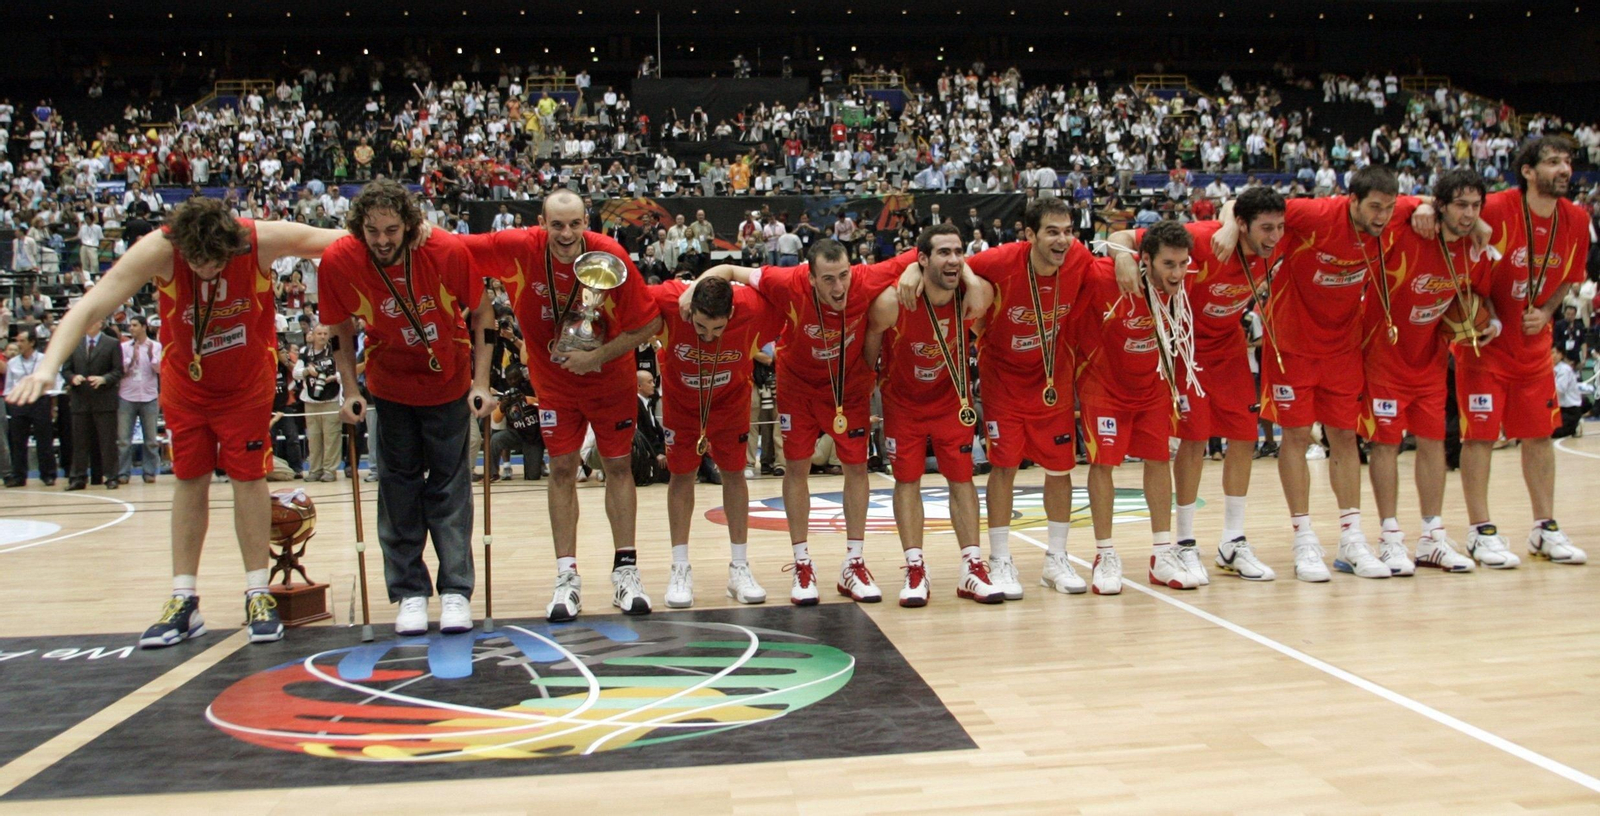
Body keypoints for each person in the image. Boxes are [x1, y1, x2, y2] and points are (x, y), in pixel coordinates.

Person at [5, 197, 356, 647]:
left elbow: (338, 240)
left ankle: (257, 591)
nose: (206, 270)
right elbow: (93, 302)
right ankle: (183, 598)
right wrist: (46, 367)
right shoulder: (159, 247)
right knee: (189, 479)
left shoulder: (258, 239)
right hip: (186, 386)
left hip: (246, 384)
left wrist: (416, 233)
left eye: (215, 262)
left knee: (250, 479)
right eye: (197, 262)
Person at [682, 239, 930, 605]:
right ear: (810, 277)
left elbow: (928, 251)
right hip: (797, 388)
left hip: (848, 387)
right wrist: (693, 288)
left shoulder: (866, 278)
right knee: (795, 469)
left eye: (843, 276)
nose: (839, 288)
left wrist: (914, 268)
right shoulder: (785, 281)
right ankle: (802, 563)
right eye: (828, 279)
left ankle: (854, 562)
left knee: (857, 468)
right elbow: (731, 272)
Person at [1213, 165, 1424, 581]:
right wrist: (1224, 227)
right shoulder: (1315, 214)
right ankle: (1304, 540)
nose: (1382, 216)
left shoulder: (1394, 216)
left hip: (1344, 347)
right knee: (1295, 435)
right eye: (1374, 207)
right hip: (1292, 343)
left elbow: (1432, 204)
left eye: (1389, 207)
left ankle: (1351, 539)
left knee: (1345, 437)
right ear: (1352, 201)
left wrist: (1427, 210)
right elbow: (1241, 206)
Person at [461, 189, 663, 622]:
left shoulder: (610, 254)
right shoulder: (519, 248)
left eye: (575, 224)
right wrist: (420, 231)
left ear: (586, 219)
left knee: (619, 467)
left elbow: (649, 322)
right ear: (542, 222)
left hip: (609, 380)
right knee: (563, 470)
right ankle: (566, 577)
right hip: (553, 385)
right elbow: (457, 247)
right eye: (557, 224)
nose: (567, 233)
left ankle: (626, 571)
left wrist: (596, 357)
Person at [322, 179, 493, 635]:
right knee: (397, 492)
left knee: (450, 489)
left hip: (448, 384)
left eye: (392, 230)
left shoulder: (446, 251)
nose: (382, 240)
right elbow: (339, 327)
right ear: (359, 228)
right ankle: (410, 594)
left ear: (410, 225)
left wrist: (481, 382)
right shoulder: (340, 259)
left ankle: (456, 591)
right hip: (390, 387)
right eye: (373, 231)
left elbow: (483, 315)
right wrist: (350, 390)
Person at [902, 197, 1095, 600]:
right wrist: (915, 268)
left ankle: (1056, 559)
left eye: (1068, 231)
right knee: (1003, 468)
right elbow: (951, 265)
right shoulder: (1002, 260)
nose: (1063, 240)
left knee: (1061, 470)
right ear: (1029, 235)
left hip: (1051, 380)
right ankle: (1001, 559)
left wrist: (1127, 259)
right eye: (1052, 232)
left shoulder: (1078, 258)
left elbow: (1124, 254)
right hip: (1003, 381)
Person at [1108, 186, 1288, 582]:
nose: (1275, 237)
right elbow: (1122, 237)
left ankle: (1233, 541)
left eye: (1280, 227)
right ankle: (1185, 543)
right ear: (1242, 226)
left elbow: (1235, 204)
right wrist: (1122, 257)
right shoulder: (1204, 239)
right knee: (1193, 439)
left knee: (1244, 437)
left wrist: (1229, 214)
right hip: (1183, 346)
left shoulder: (1269, 244)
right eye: (1266, 228)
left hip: (1227, 348)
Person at [1456, 136, 1590, 567]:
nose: (1564, 168)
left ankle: (1544, 528)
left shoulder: (1575, 217)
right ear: (1528, 171)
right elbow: (1457, 248)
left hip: (1534, 348)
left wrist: (1548, 312)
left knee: (1539, 437)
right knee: (1479, 436)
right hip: (1485, 346)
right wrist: (1489, 313)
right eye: (1553, 162)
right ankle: (1480, 531)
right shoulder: (1494, 207)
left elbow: (1569, 277)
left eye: (1567, 161)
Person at [1359, 168, 1496, 574]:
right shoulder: (1408, 228)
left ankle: (1432, 537)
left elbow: (1482, 299)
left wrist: (1490, 325)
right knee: (1385, 445)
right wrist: (1417, 203)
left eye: (1476, 206)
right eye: (1460, 205)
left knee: (1434, 443)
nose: (1470, 214)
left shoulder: (1475, 249)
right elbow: (1378, 203)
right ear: (1440, 206)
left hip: (1431, 360)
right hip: (1382, 355)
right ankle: (1389, 538)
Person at [863, 224, 1004, 607]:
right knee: (907, 481)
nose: (954, 260)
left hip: (950, 401)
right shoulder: (893, 302)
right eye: (943, 252)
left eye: (959, 252)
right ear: (922, 258)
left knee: (962, 480)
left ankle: (972, 567)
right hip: (903, 404)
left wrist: (969, 273)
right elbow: (870, 349)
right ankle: (914, 568)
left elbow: (980, 292)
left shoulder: (974, 297)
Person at [1074, 222, 1196, 593]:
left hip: (1152, 385)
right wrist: (1117, 251)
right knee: (1103, 465)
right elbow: (1106, 238)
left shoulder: (1182, 282)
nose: (1177, 274)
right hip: (1104, 385)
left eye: (1182, 264)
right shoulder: (1103, 276)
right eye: (1169, 265)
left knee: (1159, 461)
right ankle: (1105, 554)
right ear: (1144, 261)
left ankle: (1162, 553)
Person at [647, 274, 780, 608]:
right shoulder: (667, 298)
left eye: (717, 330)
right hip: (681, 405)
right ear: (689, 308)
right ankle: (679, 568)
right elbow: (623, 297)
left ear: (732, 314)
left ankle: (739, 568)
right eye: (700, 327)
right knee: (681, 476)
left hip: (730, 403)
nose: (708, 337)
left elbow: (790, 288)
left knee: (735, 474)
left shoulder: (754, 307)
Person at [4, 331, 57, 487]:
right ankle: (19, 476)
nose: (19, 344)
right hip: (19, 402)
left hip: (40, 400)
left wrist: (52, 405)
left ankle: (48, 474)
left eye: (22, 340)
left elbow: (52, 382)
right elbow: (8, 386)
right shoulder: (13, 362)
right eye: (17, 340)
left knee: (44, 440)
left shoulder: (44, 360)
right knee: (18, 442)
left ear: (32, 342)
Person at [117, 315, 162, 483]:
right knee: (123, 440)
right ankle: (123, 473)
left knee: (150, 439)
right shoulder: (123, 347)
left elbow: (159, 370)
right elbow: (120, 370)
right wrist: (131, 358)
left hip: (149, 396)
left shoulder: (156, 346)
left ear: (143, 327)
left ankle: (150, 472)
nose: (131, 328)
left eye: (135, 325)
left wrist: (151, 357)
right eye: (130, 325)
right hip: (127, 395)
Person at [298, 325, 342, 481]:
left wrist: (334, 377)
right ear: (313, 335)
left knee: (331, 437)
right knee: (314, 437)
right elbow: (296, 373)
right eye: (319, 333)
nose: (322, 336)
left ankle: (330, 470)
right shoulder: (304, 352)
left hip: (331, 399)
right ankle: (315, 470)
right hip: (310, 401)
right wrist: (306, 371)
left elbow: (345, 372)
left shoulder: (336, 351)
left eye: (325, 333)